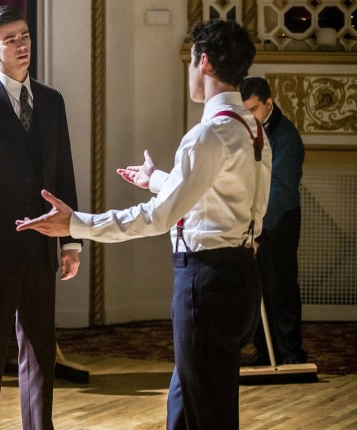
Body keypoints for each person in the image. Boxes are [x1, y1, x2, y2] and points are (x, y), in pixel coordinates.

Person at [16, 19, 272, 430]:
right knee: (186, 402)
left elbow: (158, 217)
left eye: (191, 60)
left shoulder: (208, 134)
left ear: (204, 62)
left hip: (206, 281)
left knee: (208, 411)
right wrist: (155, 180)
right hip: (241, 273)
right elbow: (217, 194)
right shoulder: (252, 128)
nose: (190, 69)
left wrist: (76, 223)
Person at [0, 5, 82, 429]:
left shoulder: (52, 100)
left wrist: (71, 239)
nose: (22, 45)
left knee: (41, 353)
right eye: (11, 40)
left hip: (42, 247)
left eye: (24, 36)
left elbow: (63, 172)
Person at [241, 77, 307, 365]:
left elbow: (280, 190)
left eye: (253, 109)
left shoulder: (287, 137)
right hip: (253, 219)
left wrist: (257, 230)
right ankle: (266, 353)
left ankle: (291, 355)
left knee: (280, 287)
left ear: (269, 103)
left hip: (279, 221)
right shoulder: (245, 129)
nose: (248, 117)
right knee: (257, 288)